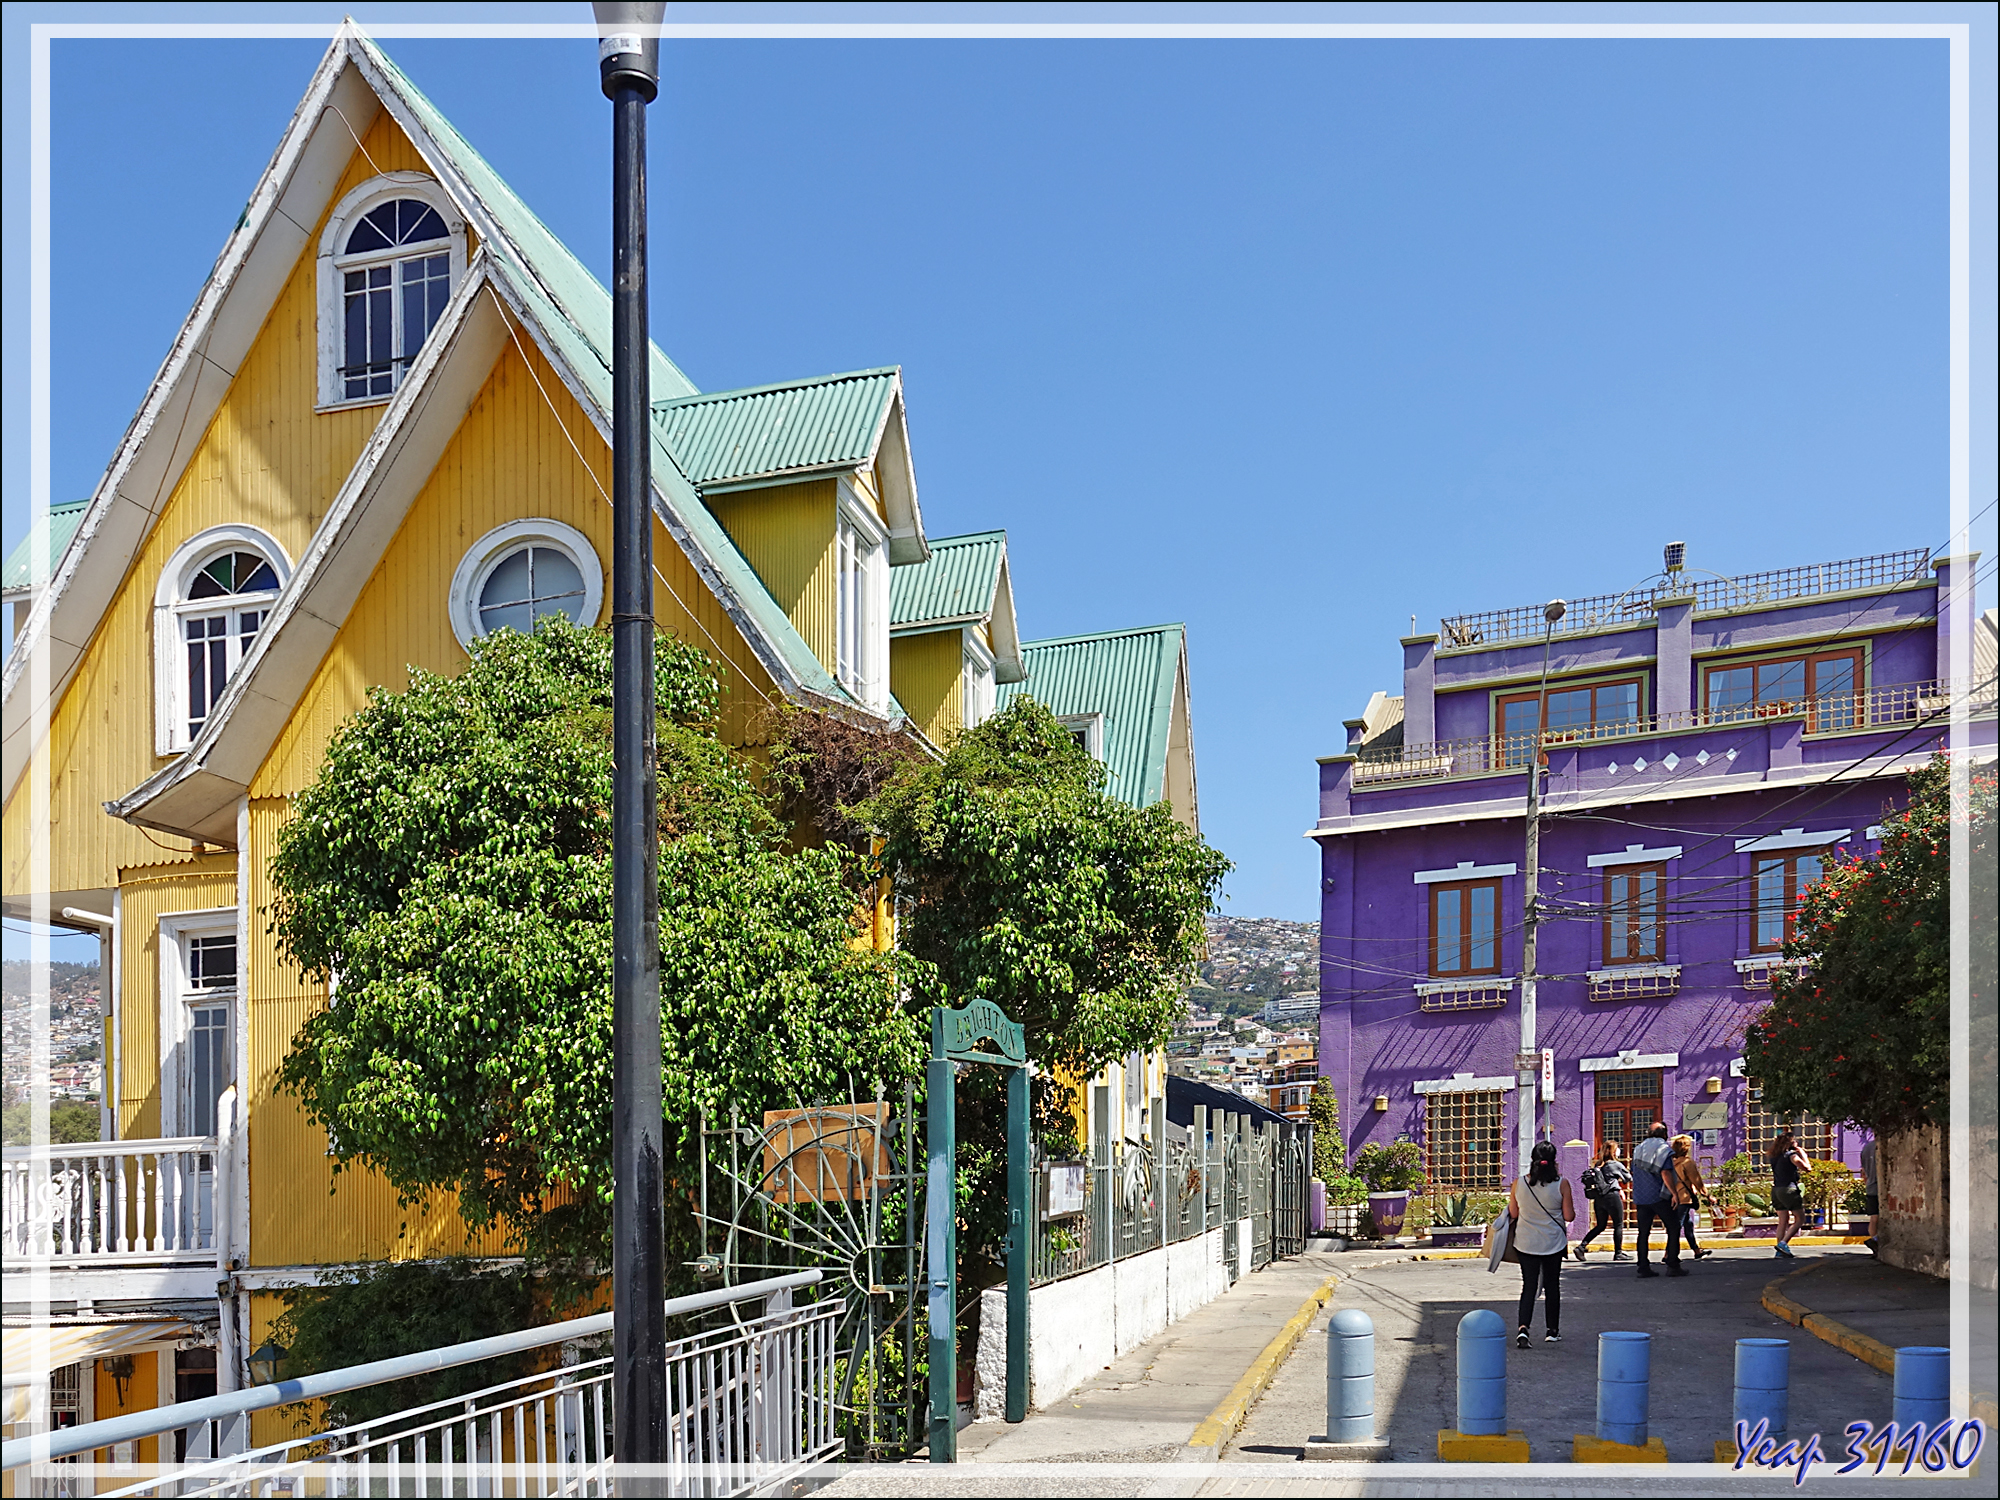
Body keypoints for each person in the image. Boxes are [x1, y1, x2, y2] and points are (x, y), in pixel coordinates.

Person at [1509, 1140, 1574, 1347]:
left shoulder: (1518, 1183)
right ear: (1554, 1160)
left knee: (1529, 1286)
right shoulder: (1562, 1184)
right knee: (1552, 1286)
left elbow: (1513, 1213)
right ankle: (1552, 1331)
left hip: (1526, 1242)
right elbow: (1569, 1216)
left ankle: (1523, 1329)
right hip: (1553, 1243)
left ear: (1532, 1159)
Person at [1629, 1122, 1685, 1277]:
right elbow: (1665, 1173)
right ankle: (1673, 1265)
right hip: (1660, 1196)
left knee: (1643, 1232)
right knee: (1673, 1228)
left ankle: (1643, 1267)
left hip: (1642, 1197)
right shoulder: (1664, 1149)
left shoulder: (1638, 1149)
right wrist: (1674, 1193)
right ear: (1664, 1133)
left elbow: (1633, 1171)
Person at [1575, 1142, 1632, 1261]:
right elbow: (1628, 1178)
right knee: (1618, 1224)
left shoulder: (1598, 1164)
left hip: (1599, 1198)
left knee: (1601, 1225)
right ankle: (1618, 1253)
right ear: (1614, 1152)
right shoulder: (1615, 1164)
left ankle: (1581, 1247)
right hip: (1612, 1196)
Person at [1667, 1135, 1713, 1259]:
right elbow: (1696, 1180)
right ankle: (1668, 1254)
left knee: (1688, 1224)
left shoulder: (1670, 1163)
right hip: (1684, 1197)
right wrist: (1708, 1195)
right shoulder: (1687, 1163)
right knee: (1677, 1227)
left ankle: (1697, 1251)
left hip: (1672, 1197)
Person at [1770, 1129, 1810, 1258]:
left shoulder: (1774, 1156)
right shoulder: (1791, 1155)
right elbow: (1807, 1168)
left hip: (1776, 1189)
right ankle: (1783, 1243)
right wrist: (1803, 1154)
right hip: (1789, 1189)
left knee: (1783, 1220)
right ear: (1790, 1143)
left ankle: (1779, 1250)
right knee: (1800, 1218)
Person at [1860, 1136, 1880, 1256]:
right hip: (1878, 1185)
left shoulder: (1866, 1148)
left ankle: (1874, 1239)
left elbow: (1863, 1171)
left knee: (1874, 1217)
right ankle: (1875, 1241)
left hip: (1871, 1186)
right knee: (1876, 1216)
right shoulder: (1880, 1146)